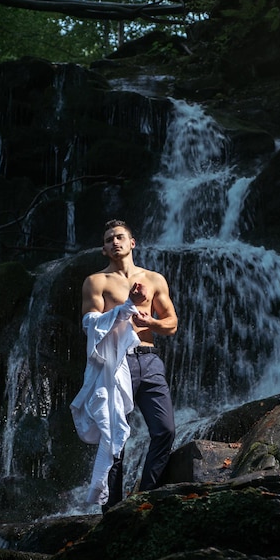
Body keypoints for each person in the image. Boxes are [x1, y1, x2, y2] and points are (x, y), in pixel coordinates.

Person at [73, 219, 177, 513]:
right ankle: (114, 511)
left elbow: (171, 324)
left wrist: (150, 322)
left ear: (132, 243)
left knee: (165, 430)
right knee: (114, 437)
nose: (114, 242)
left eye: (119, 237)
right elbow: (89, 324)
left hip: (150, 359)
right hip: (117, 363)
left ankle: (147, 497)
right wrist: (126, 307)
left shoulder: (154, 279)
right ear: (104, 250)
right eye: (108, 240)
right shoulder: (97, 282)